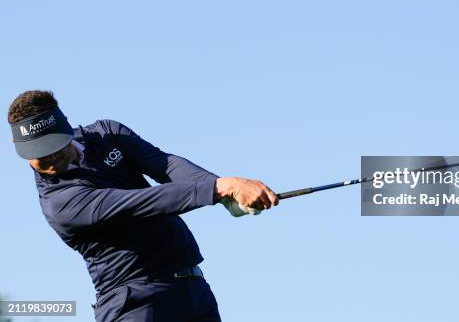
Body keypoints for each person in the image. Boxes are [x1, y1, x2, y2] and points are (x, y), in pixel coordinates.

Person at [7, 90, 279, 321]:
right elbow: (143, 202)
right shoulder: (60, 203)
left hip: (193, 287)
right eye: (38, 155)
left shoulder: (106, 134)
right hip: (135, 305)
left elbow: (165, 165)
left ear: (65, 128)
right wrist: (218, 189)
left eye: (54, 145)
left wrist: (221, 190)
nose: (50, 158)